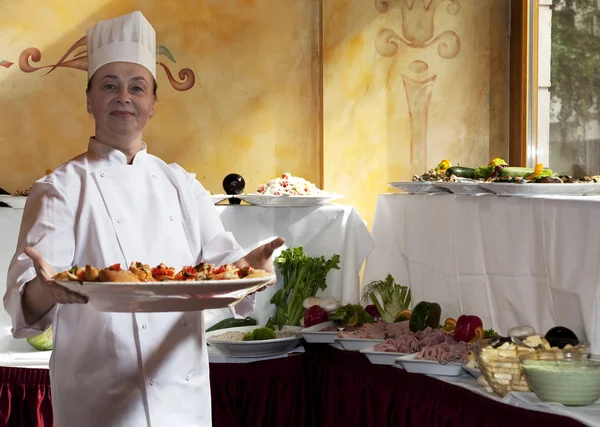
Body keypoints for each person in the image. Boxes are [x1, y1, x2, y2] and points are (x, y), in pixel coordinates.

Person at [3, 11, 283, 427]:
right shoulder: (60, 188)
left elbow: (225, 274)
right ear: (89, 99)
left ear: (153, 102)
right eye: (109, 85)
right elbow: (24, 304)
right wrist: (48, 290)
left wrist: (252, 268)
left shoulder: (182, 185)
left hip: (180, 394)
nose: (124, 97)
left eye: (137, 87)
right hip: (98, 398)